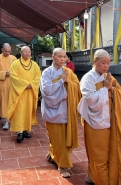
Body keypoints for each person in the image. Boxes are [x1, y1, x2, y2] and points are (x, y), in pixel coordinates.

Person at [77, 49, 121, 184]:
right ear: (95, 61)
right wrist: (106, 89)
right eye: (103, 63)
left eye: (108, 63)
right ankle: (101, 180)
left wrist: (112, 89)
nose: (106, 66)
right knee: (98, 156)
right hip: (94, 122)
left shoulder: (107, 77)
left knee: (109, 153)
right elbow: (91, 100)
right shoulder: (88, 79)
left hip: (109, 121)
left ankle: (92, 176)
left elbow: (120, 92)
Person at [40, 48, 81, 178]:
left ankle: (57, 158)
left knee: (63, 139)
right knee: (56, 137)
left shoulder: (68, 72)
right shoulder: (47, 72)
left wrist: (68, 82)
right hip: (52, 110)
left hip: (66, 110)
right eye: (60, 57)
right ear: (53, 57)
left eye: (64, 57)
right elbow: (46, 91)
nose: (63, 59)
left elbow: (77, 87)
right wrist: (61, 81)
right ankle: (62, 164)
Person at [7, 46, 41, 143]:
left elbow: (38, 76)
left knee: (27, 111)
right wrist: (25, 84)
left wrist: (32, 84)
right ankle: (19, 132)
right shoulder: (15, 64)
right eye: (25, 51)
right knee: (19, 111)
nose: (27, 53)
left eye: (29, 52)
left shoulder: (34, 64)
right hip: (19, 92)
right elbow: (13, 76)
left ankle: (26, 129)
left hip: (30, 92)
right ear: (21, 53)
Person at [0, 43, 17, 129]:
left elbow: (18, 70)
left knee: (13, 102)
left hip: (13, 84)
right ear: (2, 49)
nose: (8, 53)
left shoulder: (13, 58)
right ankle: (5, 121)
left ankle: (14, 120)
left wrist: (12, 73)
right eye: (6, 51)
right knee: (4, 104)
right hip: (2, 85)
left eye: (9, 51)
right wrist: (4, 74)